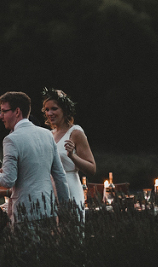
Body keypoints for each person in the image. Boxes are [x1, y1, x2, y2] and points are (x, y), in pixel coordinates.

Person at [0, 91, 70, 223]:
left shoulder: (11, 139)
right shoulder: (47, 134)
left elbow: (8, 180)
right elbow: (60, 176)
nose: (0, 116)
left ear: (17, 112)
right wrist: (66, 208)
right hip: (48, 210)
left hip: (25, 212)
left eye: (4, 111)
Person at [42, 88, 96, 219]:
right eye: (47, 109)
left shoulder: (75, 133)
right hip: (50, 190)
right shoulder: (48, 135)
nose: (50, 113)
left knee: (69, 234)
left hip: (70, 186)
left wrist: (72, 156)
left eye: (54, 109)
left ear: (65, 110)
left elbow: (92, 169)